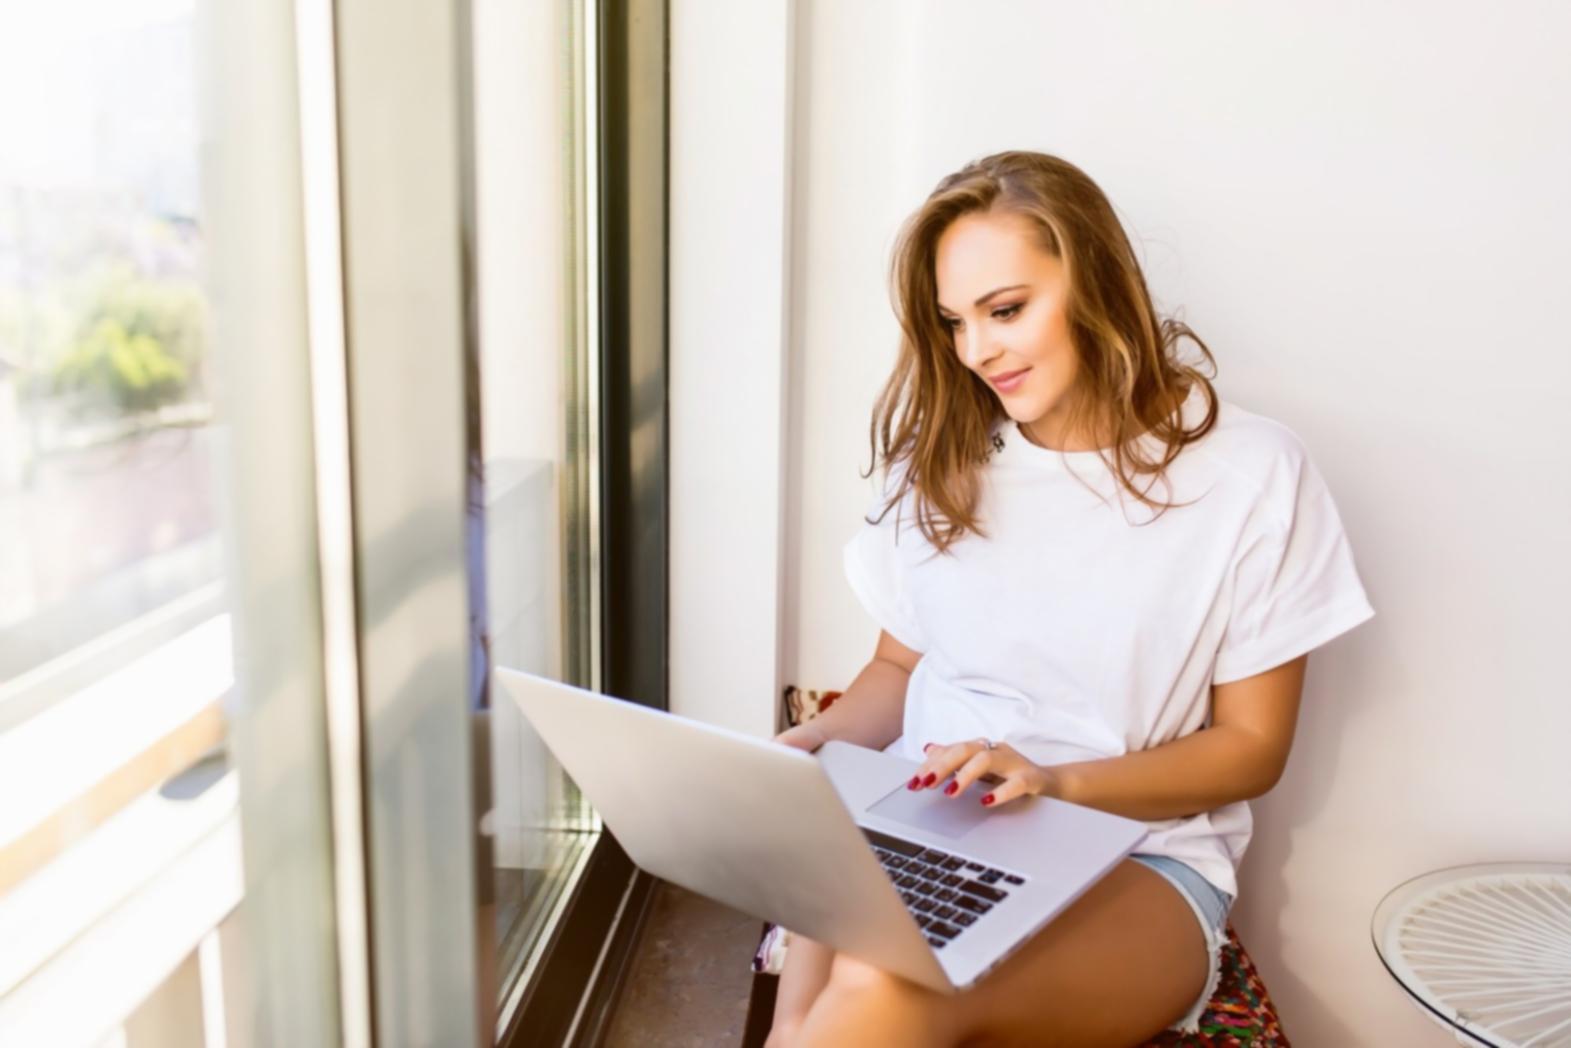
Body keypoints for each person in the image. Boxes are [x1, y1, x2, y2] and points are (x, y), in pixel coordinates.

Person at [765, 151, 1374, 1047]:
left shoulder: (1250, 476)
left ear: (1093, 281)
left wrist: (1052, 782)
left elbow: (1250, 749)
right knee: (843, 955)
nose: (976, 351)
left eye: (1005, 310)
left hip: (1139, 858)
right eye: (954, 322)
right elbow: (897, 668)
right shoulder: (939, 462)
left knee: (883, 983)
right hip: (921, 827)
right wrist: (805, 751)